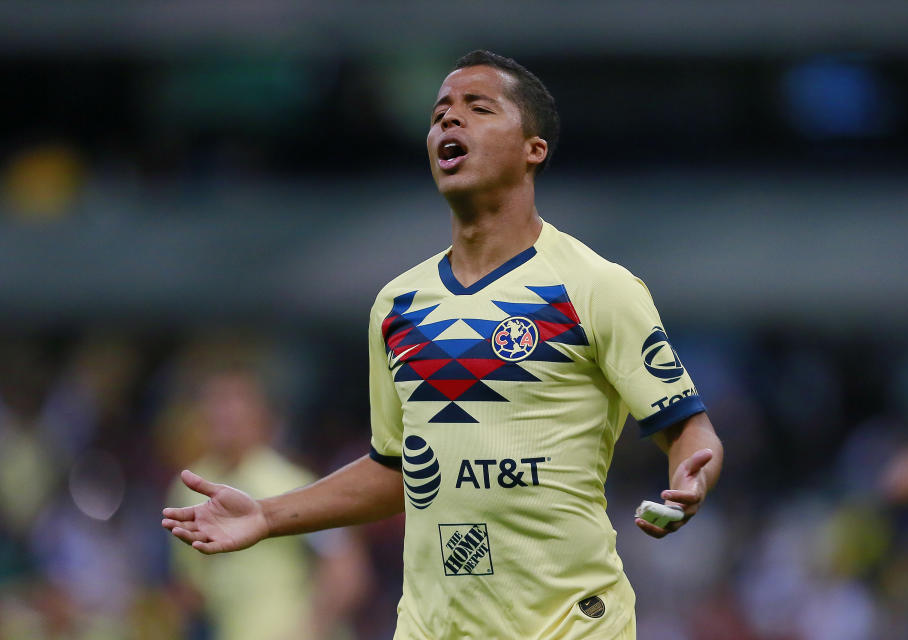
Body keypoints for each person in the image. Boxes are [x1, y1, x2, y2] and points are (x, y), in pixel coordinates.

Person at [162, 50, 723, 639]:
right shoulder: (398, 306)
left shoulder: (596, 287)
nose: (449, 122)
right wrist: (268, 514)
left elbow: (688, 427)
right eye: (439, 114)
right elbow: (396, 470)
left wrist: (692, 475)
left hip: (567, 626)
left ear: (534, 148)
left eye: (478, 108)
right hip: (432, 628)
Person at [166, 367, 371, 640]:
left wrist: (310, 629)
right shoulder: (189, 487)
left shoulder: (291, 482)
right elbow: (194, 588)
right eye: (216, 404)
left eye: (234, 404)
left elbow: (346, 571)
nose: (224, 416)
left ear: (260, 416)